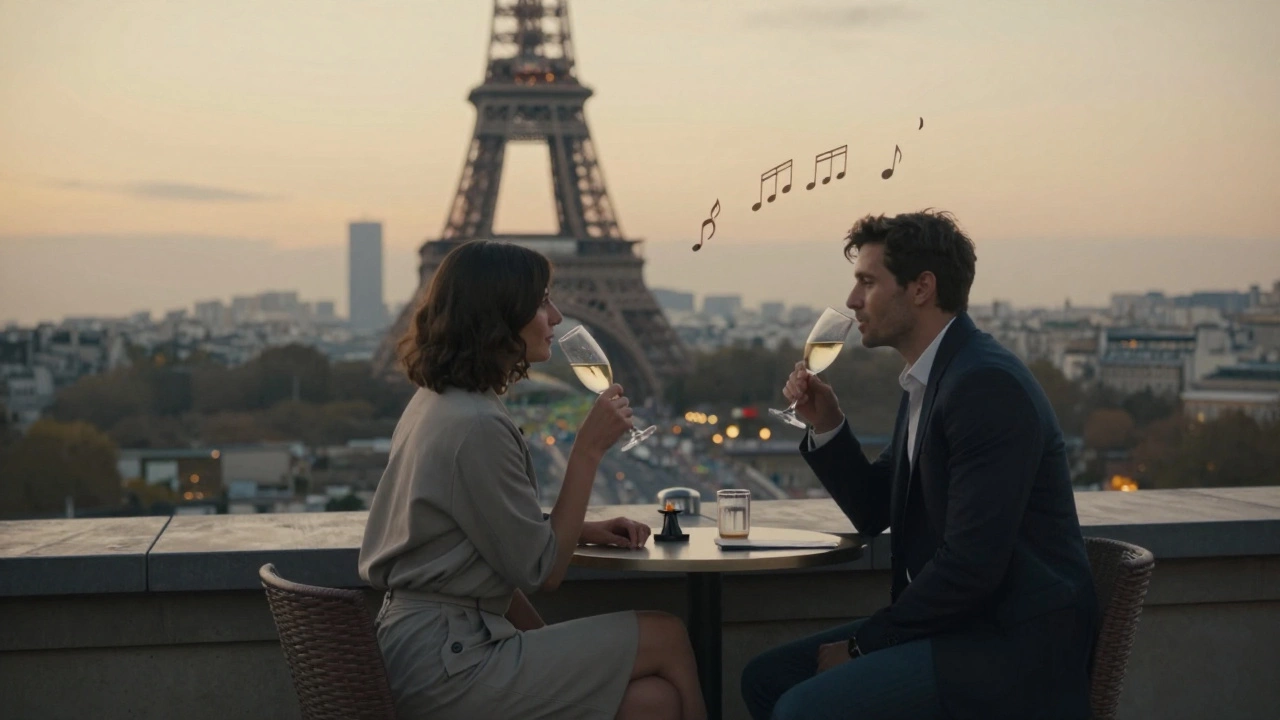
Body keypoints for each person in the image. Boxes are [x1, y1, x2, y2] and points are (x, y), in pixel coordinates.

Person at [741, 210, 1098, 720]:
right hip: (961, 628)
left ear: (921, 288)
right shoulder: (936, 378)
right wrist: (828, 424)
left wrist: (864, 647)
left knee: (800, 707)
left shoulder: (982, 387)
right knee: (766, 679)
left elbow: (971, 565)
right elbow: (873, 509)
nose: (852, 300)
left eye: (867, 281)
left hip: (1007, 651)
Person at [360, 241, 706, 720]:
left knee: (653, 703)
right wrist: (587, 450)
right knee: (665, 634)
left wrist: (576, 531)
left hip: (426, 649)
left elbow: (476, 530)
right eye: (542, 302)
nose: (558, 316)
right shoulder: (477, 424)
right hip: (451, 663)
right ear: (501, 315)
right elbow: (544, 572)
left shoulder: (439, 402)